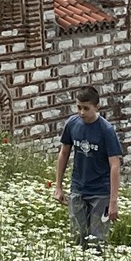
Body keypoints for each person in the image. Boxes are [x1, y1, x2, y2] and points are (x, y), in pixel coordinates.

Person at [53, 85, 123, 252]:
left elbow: (115, 165)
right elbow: (64, 153)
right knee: (77, 238)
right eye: (79, 108)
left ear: (97, 107)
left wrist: (113, 202)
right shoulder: (72, 124)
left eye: (86, 108)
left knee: (97, 243)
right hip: (78, 189)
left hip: (100, 193)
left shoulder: (106, 130)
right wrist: (58, 186)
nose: (82, 112)